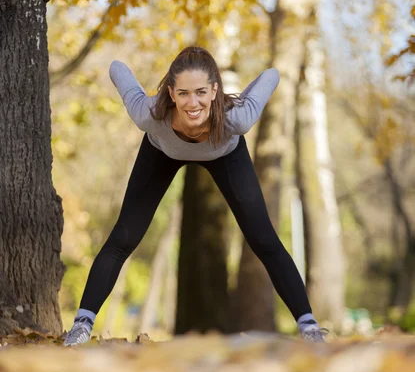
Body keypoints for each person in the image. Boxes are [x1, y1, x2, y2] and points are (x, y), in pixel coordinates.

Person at [64, 46, 329, 346]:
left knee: (264, 239)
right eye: (184, 94)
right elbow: (116, 67)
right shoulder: (149, 115)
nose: (193, 103)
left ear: (215, 90)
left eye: (202, 92)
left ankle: (309, 328)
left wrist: (243, 97)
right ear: (171, 93)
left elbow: (271, 75)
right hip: (161, 152)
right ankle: (81, 326)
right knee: (124, 237)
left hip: (225, 153)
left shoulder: (237, 119)